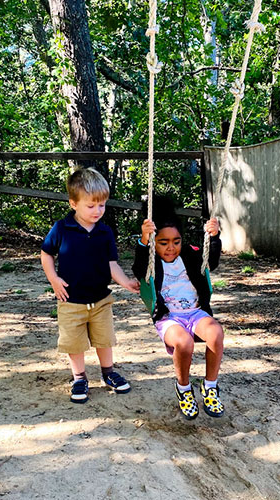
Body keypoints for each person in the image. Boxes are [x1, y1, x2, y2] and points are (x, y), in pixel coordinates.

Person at [41, 167, 139, 404]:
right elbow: (46, 254)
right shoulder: (62, 228)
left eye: (102, 205)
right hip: (70, 300)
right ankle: (79, 377)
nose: (98, 211)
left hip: (101, 299)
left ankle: (108, 372)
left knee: (104, 339)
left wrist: (126, 282)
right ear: (73, 203)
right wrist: (53, 279)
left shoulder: (105, 232)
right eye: (91, 205)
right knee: (74, 343)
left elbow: (111, 264)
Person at [132, 200, 224, 420]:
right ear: (155, 242)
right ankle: (184, 389)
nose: (171, 247)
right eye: (163, 242)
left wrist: (214, 237)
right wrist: (144, 241)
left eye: (176, 241)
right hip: (168, 317)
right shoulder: (152, 262)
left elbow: (209, 261)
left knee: (216, 332)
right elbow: (139, 267)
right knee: (184, 343)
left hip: (195, 312)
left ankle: (210, 386)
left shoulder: (189, 255)